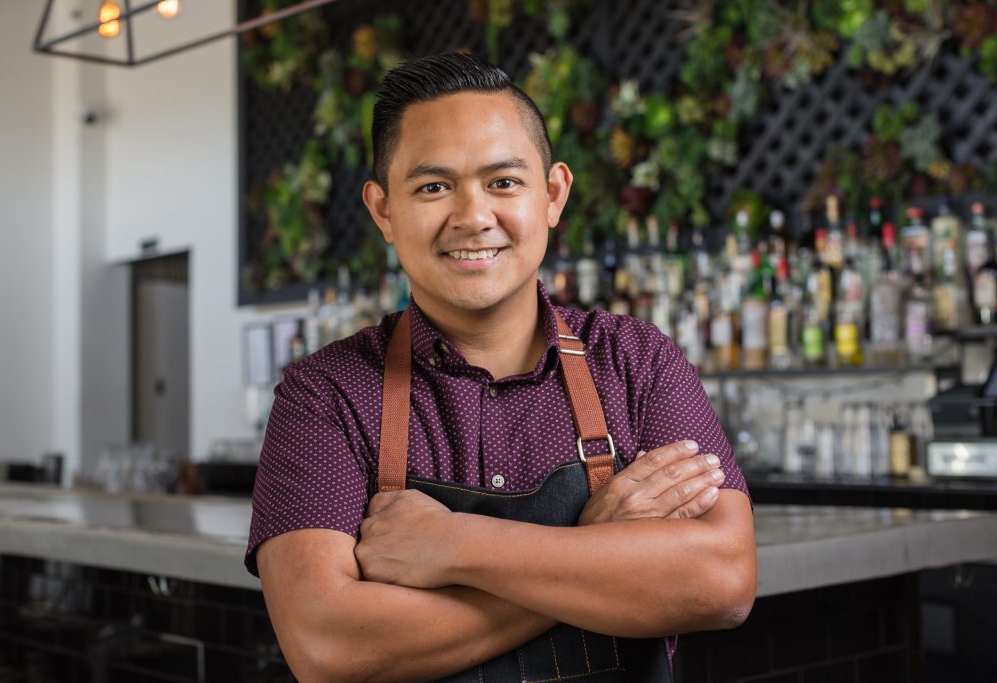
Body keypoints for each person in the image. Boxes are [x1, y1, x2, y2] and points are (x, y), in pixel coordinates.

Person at [246, 52, 756, 682]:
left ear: (553, 195)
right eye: (433, 187)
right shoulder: (326, 394)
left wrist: (454, 546)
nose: (472, 216)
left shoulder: (635, 360)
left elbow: (722, 580)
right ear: (384, 211)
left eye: (504, 182)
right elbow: (326, 644)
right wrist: (595, 547)